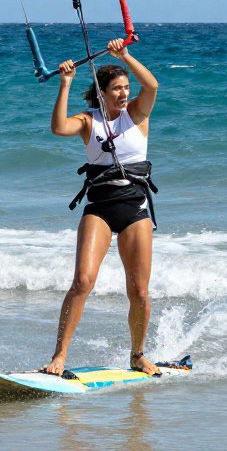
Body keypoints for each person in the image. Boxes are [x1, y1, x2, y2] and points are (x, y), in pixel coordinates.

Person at [41, 38, 160, 377]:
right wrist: (65, 83)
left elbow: (152, 85)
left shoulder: (137, 114)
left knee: (139, 291)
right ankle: (59, 356)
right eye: (117, 89)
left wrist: (125, 56)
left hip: (135, 208)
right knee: (82, 281)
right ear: (102, 93)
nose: (124, 93)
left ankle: (138, 355)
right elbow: (58, 128)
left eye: (126, 88)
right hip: (100, 209)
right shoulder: (87, 121)